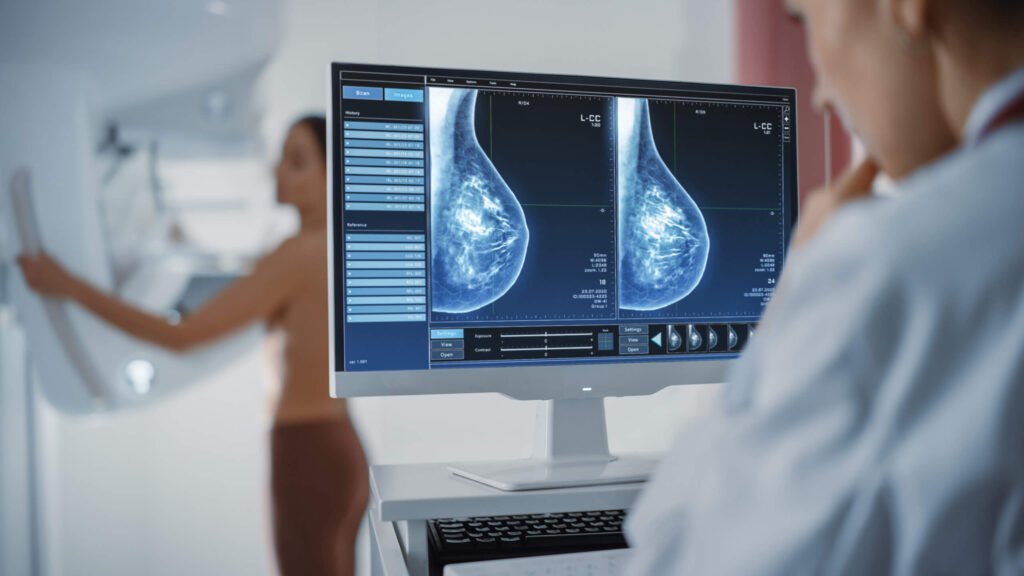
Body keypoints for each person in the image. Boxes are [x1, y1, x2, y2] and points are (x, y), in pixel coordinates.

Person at [626, 0, 1024, 574]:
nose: (820, 96)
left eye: (807, 18)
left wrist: (789, 309)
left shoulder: (891, 267)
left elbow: (679, 563)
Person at [18, 116, 368, 576]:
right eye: (282, 157)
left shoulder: (299, 254)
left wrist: (67, 285)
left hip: (308, 450)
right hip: (339, 446)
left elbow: (182, 337)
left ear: (333, 178)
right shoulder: (330, 249)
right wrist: (182, 241)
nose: (277, 170)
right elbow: (254, 279)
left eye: (297, 162)